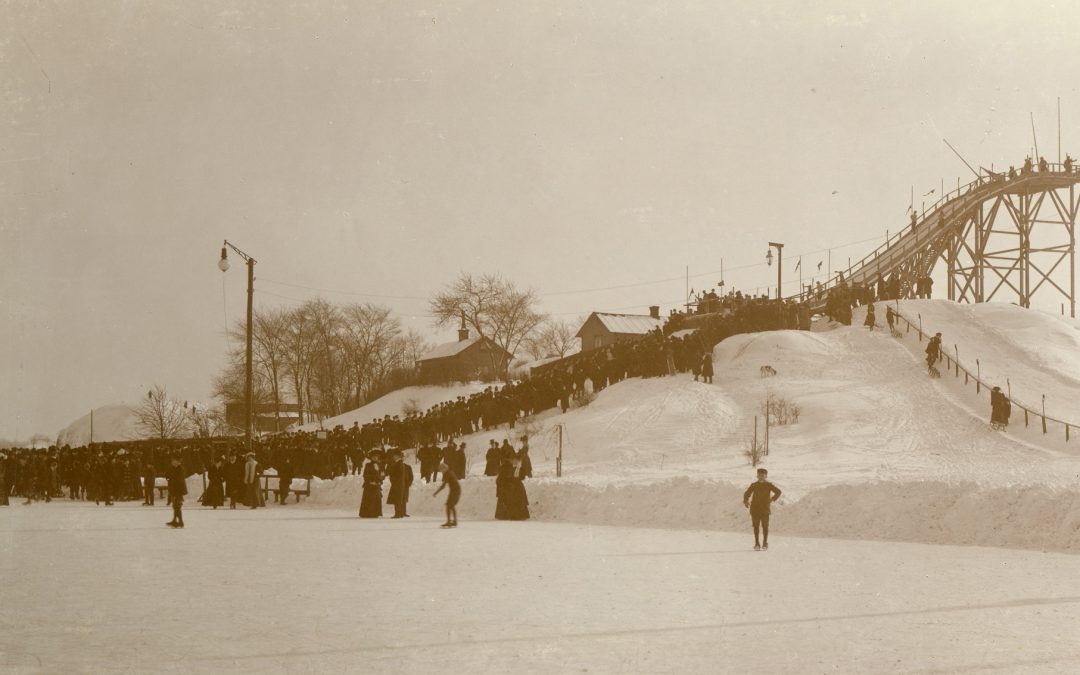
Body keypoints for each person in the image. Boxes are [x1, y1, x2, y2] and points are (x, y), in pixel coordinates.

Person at [742, 468, 781, 550]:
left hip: (765, 509)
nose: (761, 477)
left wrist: (772, 499)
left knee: (765, 526)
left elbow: (778, 492)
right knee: (756, 527)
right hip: (755, 509)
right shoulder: (754, 485)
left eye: (763, 475)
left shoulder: (769, 485)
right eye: (759, 475)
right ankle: (757, 544)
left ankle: (765, 543)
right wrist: (746, 501)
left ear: (766, 476)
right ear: (757, 476)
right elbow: (747, 493)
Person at [386, 450, 414, 518]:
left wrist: (394, 482)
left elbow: (392, 475)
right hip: (403, 485)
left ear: (397, 456)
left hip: (399, 485)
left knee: (398, 499)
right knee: (401, 499)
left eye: (394, 456)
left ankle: (399, 513)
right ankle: (401, 513)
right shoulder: (403, 465)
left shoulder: (397, 464)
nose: (393, 457)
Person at [432, 461, 460, 528]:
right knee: (451, 505)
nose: (441, 471)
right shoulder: (450, 472)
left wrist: (436, 492)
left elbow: (443, 486)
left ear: (444, 469)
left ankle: (449, 522)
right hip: (455, 490)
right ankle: (454, 521)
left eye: (441, 470)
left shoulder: (447, 474)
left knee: (449, 505)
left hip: (455, 491)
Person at [358, 451, 384, 518]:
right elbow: (365, 475)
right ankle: (367, 513)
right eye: (373, 457)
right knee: (369, 499)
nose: (375, 458)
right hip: (369, 485)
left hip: (377, 485)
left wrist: (380, 480)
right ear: (371, 458)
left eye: (376, 457)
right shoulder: (368, 465)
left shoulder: (380, 465)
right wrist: (370, 481)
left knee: (377, 498)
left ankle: (376, 513)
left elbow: (383, 474)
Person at [166, 455, 187, 529]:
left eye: (173, 461)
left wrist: (171, 480)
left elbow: (179, 481)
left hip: (178, 490)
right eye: (172, 461)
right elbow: (167, 475)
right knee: (175, 506)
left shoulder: (180, 469)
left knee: (177, 506)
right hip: (173, 489)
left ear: (178, 462)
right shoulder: (171, 468)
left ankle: (180, 521)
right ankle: (175, 521)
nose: (172, 462)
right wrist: (168, 479)